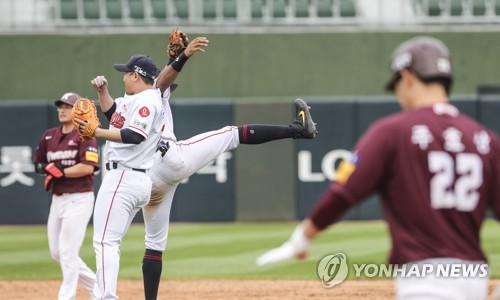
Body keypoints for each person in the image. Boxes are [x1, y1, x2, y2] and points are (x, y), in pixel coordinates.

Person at [255, 36, 500, 299]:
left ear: (406, 77)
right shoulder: (485, 138)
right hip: (475, 276)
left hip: (425, 279)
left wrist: (301, 239)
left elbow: (342, 194)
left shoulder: (392, 132)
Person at [139, 36, 319, 300]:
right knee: (231, 133)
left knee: (152, 243)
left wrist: (174, 59)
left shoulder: (129, 103)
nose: (124, 77)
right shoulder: (150, 93)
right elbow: (160, 84)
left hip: (146, 176)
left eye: (127, 73)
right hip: (169, 159)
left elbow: (161, 84)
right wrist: (182, 56)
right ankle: (297, 130)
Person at [75, 54, 165, 300]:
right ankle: (104, 295)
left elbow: (135, 135)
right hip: (131, 178)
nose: (123, 77)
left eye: (126, 73)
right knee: (109, 241)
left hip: (125, 177)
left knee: (104, 242)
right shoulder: (134, 99)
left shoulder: (148, 100)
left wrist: (97, 132)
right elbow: (115, 117)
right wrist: (103, 92)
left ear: (136, 75)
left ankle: (106, 297)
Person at [33, 92, 99, 300]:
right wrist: (46, 168)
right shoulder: (49, 135)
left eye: (67, 106)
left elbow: (88, 167)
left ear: (78, 110)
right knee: (57, 253)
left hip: (79, 198)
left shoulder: (85, 135)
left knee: (68, 251)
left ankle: (66, 296)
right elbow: (38, 163)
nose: (62, 110)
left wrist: (59, 171)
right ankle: (99, 289)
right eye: (60, 106)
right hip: (58, 199)